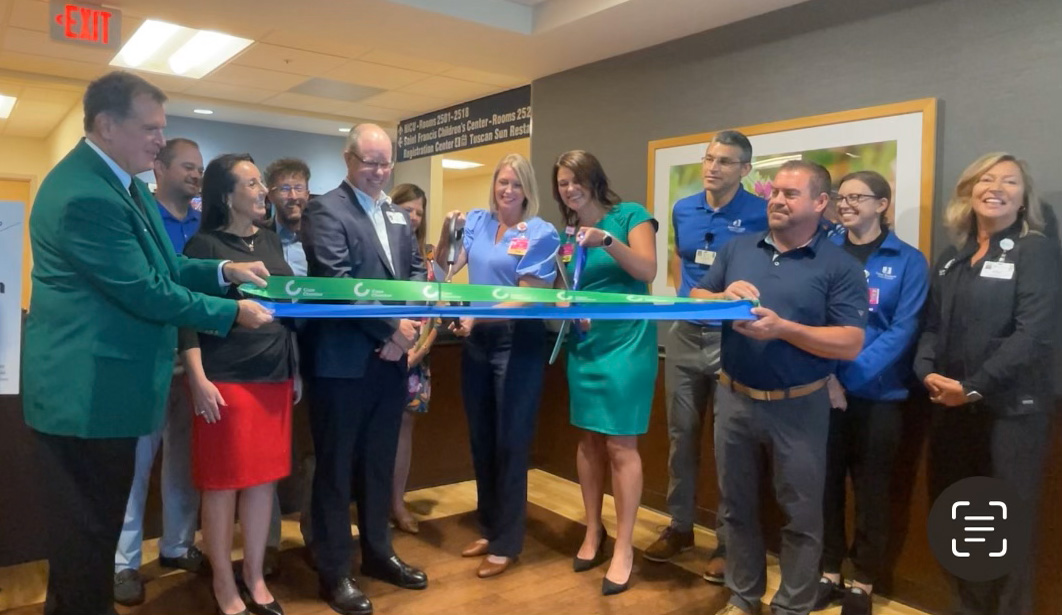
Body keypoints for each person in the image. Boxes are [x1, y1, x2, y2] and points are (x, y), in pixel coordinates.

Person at [22, 70, 272, 615]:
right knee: (86, 543)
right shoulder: (85, 194)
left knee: (89, 541)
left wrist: (226, 269)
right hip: (85, 398)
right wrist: (231, 312)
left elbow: (170, 266)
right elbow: (146, 291)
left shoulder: (125, 184)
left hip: (107, 393)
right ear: (107, 125)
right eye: (151, 128)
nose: (161, 140)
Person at [691, 160, 867, 615]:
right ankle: (743, 598)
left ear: (820, 203)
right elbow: (694, 299)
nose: (778, 200)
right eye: (775, 193)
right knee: (736, 509)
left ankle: (792, 607)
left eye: (791, 194)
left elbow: (849, 342)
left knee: (802, 517)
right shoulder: (738, 248)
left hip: (800, 408)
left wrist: (785, 329)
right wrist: (719, 299)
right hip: (733, 398)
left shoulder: (839, 266)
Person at [914, 153, 1059, 615]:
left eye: (1010, 181)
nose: (996, 187)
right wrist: (925, 371)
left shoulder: (1035, 250)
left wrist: (974, 386)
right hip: (952, 410)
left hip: (1012, 411)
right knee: (960, 519)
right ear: (969, 191)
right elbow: (932, 326)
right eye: (986, 178)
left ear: (1023, 197)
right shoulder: (952, 257)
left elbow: (1034, 333)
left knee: (1005, 526)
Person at [301, 124, 428, 615]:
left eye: (385, 163)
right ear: (348, 158)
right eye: (369, 161)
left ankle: (377, 553)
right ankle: (335, 572)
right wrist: (392, 331)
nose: (377, 171)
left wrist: (410, 324)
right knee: (335, 469)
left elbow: (416, 272)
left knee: (377, 464)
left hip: (391, 365)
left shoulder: (396, 214)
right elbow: (337, 282)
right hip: (342, 365)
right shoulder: (324, 209)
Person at [648, 130, 768, 587]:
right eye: (709, 158)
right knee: (681, 435)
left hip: (731, 337)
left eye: (724, 161)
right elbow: (682, 263)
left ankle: (726, 540)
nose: (713, 167)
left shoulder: (759, 213)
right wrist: (692, 297)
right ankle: (680, 527)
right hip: (684, 331)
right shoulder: (684, 208)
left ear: (745, 169)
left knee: (727, 443)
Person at [181, 154, 297, 615]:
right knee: (222, 484)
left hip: (274, 377)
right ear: (227, 195)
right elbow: (185, 319)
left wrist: (296, 368)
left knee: (262, 483)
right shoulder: (203, 247)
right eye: (252, 183)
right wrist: (197, 378)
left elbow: (289, 310)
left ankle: (253, 576)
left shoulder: (271, 240)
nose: (263, 191)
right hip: (225, 381)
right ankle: (224, 584)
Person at [435, 153, 559, 579]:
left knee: (510, 441)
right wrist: (445, 233)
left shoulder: (541, 233)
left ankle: (508, 542)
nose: (506, 190)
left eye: (515, 184)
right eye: (501, 182)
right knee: (482, 437)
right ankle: (490, 527)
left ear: (528, 191)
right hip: (479, 342)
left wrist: (476, 314)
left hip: (517, 342)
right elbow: (443, 269)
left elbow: (528, 298)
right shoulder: (477, 222)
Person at [813, 171, 929, 615]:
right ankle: (828, 571)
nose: (845, 205)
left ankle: (863, 581)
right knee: (823, 486)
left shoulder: (908, 260)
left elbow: (904, 329)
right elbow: (810, 319)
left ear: (882, 204)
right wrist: (828, 378)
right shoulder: (823, 252)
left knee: (872, 491)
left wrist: (851, 378)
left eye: (856, 197)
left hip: (880, 396)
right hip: (823, 390)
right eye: (840, 198)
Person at [553, 150, 657, 596]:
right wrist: (566, 304)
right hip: (587, 344)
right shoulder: (567, 234)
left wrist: (608, 242)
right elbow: (567, 286)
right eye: (562, 184)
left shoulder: (630, 215)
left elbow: (647, 270)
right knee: (589, 440)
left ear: (595, 180)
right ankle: (593, 532)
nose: (569, 189)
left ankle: (625, 547)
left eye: (576, 180)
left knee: (621, 443)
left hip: (628, 344)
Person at [113, 137, 209, 607]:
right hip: (145, 364)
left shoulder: (203, 224)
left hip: (193, 366)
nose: (196, 176)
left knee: (183, 466)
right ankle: (123, 564)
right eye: (188, 167)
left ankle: (176, 546)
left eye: (200, 169)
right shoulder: (139, 218)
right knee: (135, 468)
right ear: (160, 169)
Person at [261, 156, 312, 575]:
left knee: (315, 452)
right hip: (274, 354)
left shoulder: (323, 233)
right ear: (269, 194)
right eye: (283, 188)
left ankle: (317, 536)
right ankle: (268, 543)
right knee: (269, 451)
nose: (292, 196)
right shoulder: (261, 240)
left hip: (319, 355)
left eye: (298, 187)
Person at [389, 183, 438, 535]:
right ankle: (371, 502)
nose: (414, 217)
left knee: (404, 433)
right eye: (407, 209)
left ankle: (397, 501)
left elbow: (433, 317)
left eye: (419, 211)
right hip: (383, 352)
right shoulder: (381, 252)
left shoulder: (428, 261)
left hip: (413, 363)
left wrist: (416, 352)